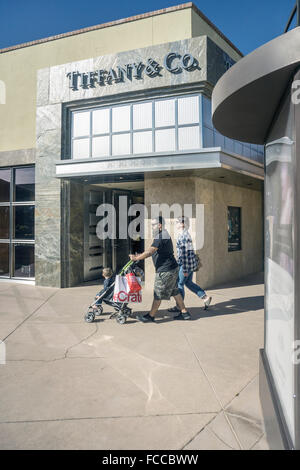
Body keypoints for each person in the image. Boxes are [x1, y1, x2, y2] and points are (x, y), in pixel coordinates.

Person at [129, 216, 191, 322]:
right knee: (175, 291)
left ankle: (151, 316)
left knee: (158, 293)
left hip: (165, 270)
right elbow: (152, 250)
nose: (152, 226)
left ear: (159, 225)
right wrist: (140, 255)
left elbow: (150, 251)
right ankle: (185, 313)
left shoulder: (161, 236)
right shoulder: (162, 235)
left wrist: (136, 258)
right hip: (172, 268)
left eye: (153, 225)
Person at [168, 216, 212, 313]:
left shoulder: (183, 236)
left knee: (179, 284)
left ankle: (180, 306)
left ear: (183, 224)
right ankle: (205, 298)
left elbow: (185, 254)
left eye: (177, 222)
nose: (176, 224)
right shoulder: (185, 234)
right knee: (188, 283)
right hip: (190, 264)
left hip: (185, 265)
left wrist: (184, 269)